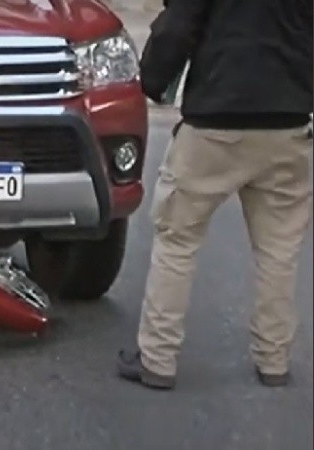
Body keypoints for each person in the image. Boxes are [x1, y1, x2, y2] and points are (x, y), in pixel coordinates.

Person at [117, 0, 313, 389]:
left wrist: (153, 82)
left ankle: (158, 359)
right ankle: (273, 360)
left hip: (215, 119)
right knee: (279, 250)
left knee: (177, 240)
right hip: (288, 122)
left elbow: (175, 30)